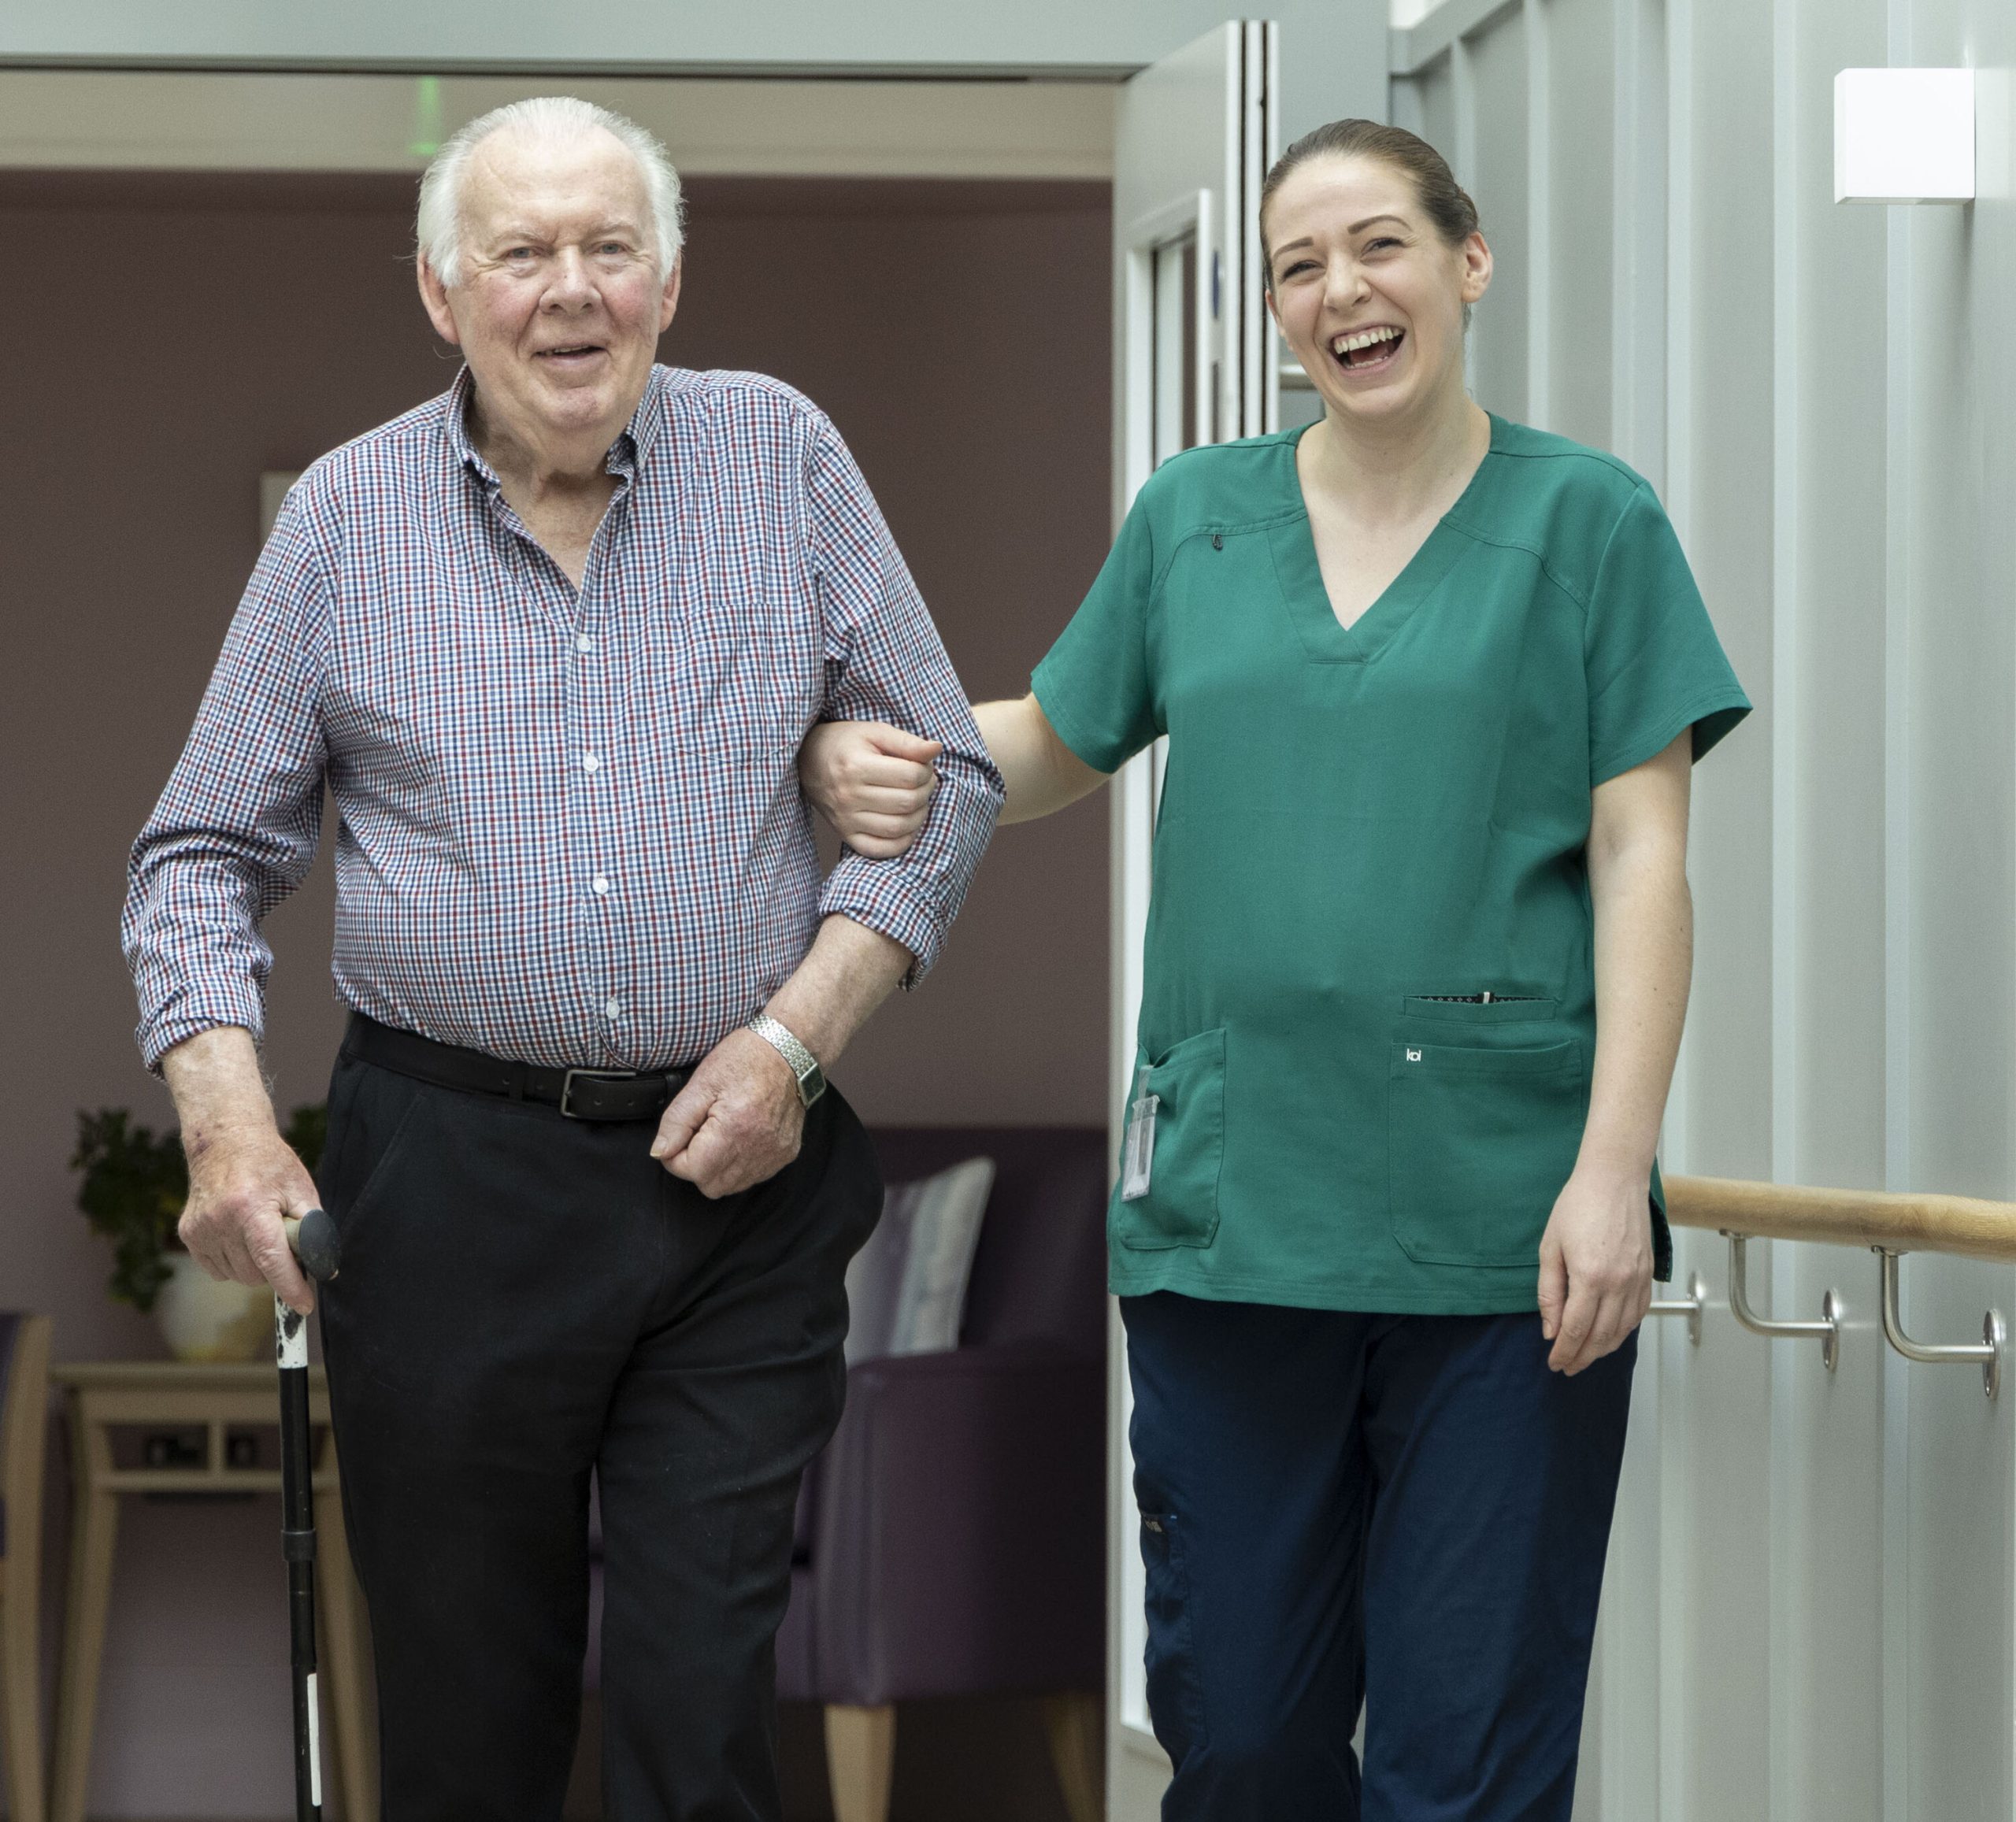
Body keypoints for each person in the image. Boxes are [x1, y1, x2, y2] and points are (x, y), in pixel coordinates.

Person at [802, 118, 1749, 1820]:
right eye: (1295, 267)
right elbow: (1057, 738)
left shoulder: (1588, 522)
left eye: (1376, 244)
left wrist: (1614, 1167)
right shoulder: (1195, 520)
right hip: (1233, 1222)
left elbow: (1641, 854)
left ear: (1465, 260)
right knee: (1235, 1736)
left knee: (1463, 1762)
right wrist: (906, 764)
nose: (1338, 292)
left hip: (1499, 1235)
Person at [122, 95, 1000, 1818]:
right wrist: (226, 1131)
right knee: (470, 1725)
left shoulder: (782, 457)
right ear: (445, 297)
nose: (570, 291)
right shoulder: (345, 521)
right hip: (447, 1182)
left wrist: (794, 1041)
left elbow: (948, 772)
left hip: (735, 1173)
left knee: (694, 1702)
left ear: (668, 283)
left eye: (609, 248)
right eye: (522, 253)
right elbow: (197, 857)